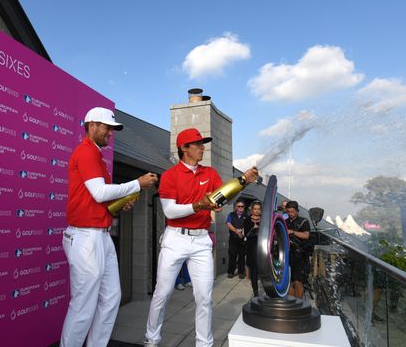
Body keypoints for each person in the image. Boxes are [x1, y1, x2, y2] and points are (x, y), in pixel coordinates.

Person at [144, 128, 258, 347]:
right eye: (197, 144)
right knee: (162, 293)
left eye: (202, 143)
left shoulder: (210, 173)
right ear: (184, 149)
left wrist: (244, 181)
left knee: (204, 298)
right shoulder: (170, 176)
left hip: (201, 241)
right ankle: (151, 340)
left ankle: (204, 344)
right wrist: (199, 205)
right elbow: (169, 212)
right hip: (175, 239)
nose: (202, 147)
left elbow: (224, 196)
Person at [61, 107, 158, 347]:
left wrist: (118, 204)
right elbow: (99, 192)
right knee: (83, 305)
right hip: (85, 237)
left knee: (112, 297)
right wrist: (137, 183)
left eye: (112, 129)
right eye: (107, 127)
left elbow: (99, 199)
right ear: (92, 125)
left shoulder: (96, 155)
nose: (110, 133)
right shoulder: (86, 152)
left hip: (100, 236)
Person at [285, 200, 311, 299]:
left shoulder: (304, 221)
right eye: (288, 212)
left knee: (298, 281)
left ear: (297, 211)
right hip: (287, 254)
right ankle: (291, 303)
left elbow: (306, 235)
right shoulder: (285, 221)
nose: (290, 214)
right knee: (289, 281)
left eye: (292, 211)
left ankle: (298, 303)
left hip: (300, 255)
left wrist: (292, 232)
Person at [243, 200, 263, 297]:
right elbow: (246, 233)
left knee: (263, 268)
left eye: (258, 209)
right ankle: (255, 291)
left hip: (262, 247)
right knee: (253, 269)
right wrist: (253, 230)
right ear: (252, 210)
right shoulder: (247, 219)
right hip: (251, 246)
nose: (257, 211)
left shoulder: (264, 219)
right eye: (255, 209)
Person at [226, 201, 246, 278]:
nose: (240, 208)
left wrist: (243, 232)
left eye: (242, 206)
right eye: (238, 206)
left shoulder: (246, 216)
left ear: (244, 208)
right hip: (233, 239)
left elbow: (247, 226)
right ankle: (231, 272)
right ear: (235, 207)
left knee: (242, 256)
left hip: (242, 239)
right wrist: (236, 231)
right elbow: (228, 223)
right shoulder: (231, 215)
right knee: (232, 255)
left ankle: (241, 272)